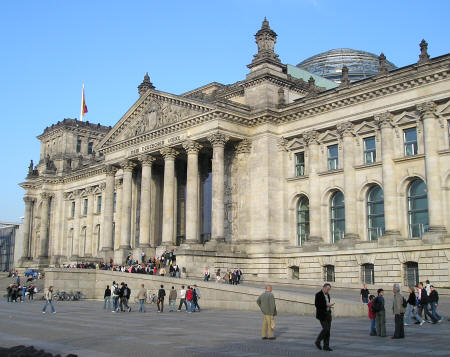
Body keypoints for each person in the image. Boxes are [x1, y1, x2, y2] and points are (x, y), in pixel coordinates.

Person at [314, 283, 334, 351]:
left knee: (328, 331)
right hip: (322, 315)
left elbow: (327, 303)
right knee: (326, 329)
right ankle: (318, 341)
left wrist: (329, 306)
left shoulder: (328, 295)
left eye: (329, 290)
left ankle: (326, 346)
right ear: (324, 287)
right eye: (328, 289)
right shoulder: (318, 294)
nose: (328, 291)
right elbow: (317, 305)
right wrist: (326, 305)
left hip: (328, 314)